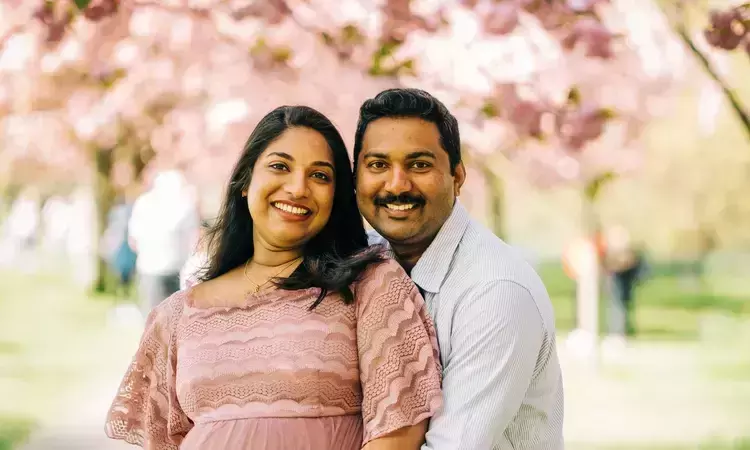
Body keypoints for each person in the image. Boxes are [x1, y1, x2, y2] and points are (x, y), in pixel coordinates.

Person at [105, 105, 443, 450]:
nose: (298, 188)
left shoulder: (370, 287)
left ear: (336, 198)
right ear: (245, 182)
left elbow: (398, 435)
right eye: (280, 166)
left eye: (320, 176)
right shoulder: (177, 315)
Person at [353, 88, 564, 450]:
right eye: (378, 165)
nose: (397, 184)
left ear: (458, 177)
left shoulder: (496, 291)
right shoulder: (362, 260)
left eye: (419, 165)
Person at [128, 169, 200, 314]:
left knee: (153, 320)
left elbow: (133, 241)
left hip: (150, 269)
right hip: (177, 269)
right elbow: (195, 239)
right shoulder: (185, 206)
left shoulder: (143, 204)